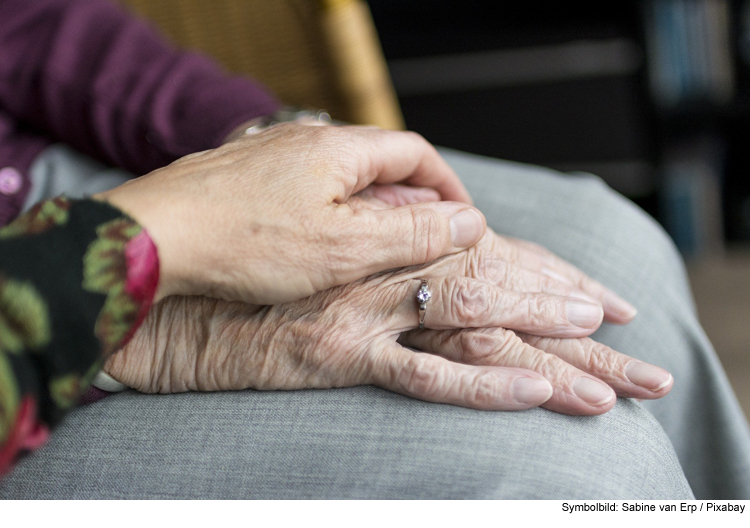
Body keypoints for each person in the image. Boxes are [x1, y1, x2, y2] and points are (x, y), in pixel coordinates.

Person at [0, 0, 748, 499]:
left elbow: (29, 22)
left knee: (611, 249)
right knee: (579, 465)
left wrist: (263, 145)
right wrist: (152, 310)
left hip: (58, 171)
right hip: (29, 356)